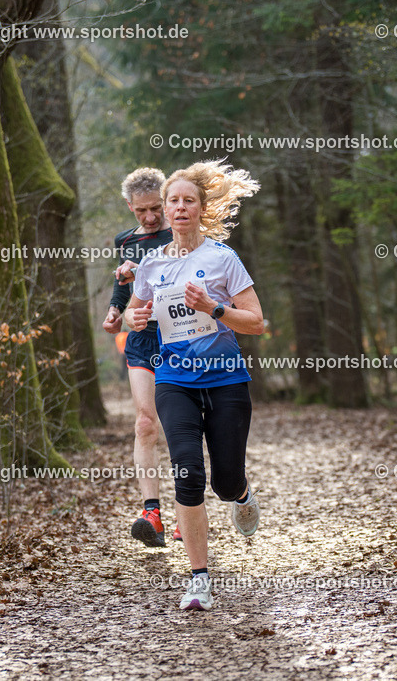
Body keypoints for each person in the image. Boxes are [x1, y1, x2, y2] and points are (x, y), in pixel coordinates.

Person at [122, 159, 263, 610]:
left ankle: (240, 494)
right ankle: (198, 579)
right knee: (187, 473)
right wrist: (134, 317)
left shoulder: (223, 258)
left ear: (202, 209)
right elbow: (133, 312)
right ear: (163, 210)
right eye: (173, 201)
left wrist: (214, 309)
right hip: (174, 381)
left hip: (225, 381)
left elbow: (257, 323)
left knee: (223, 481)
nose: (180, 208)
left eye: (189, 201)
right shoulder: (151, 264)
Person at [102, 168, 177, 547]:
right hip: (142, 342)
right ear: (129, 206)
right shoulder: (125, 240)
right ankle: (152, 513)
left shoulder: (180, 232)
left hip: (180, 340)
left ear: (164, 202)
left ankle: (188, 510)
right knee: (145, 424)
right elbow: (123, 285)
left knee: (183, 427)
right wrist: (115, 312)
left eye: (155, 209)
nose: (149, 218)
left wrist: (141, 268)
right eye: (140, 211)